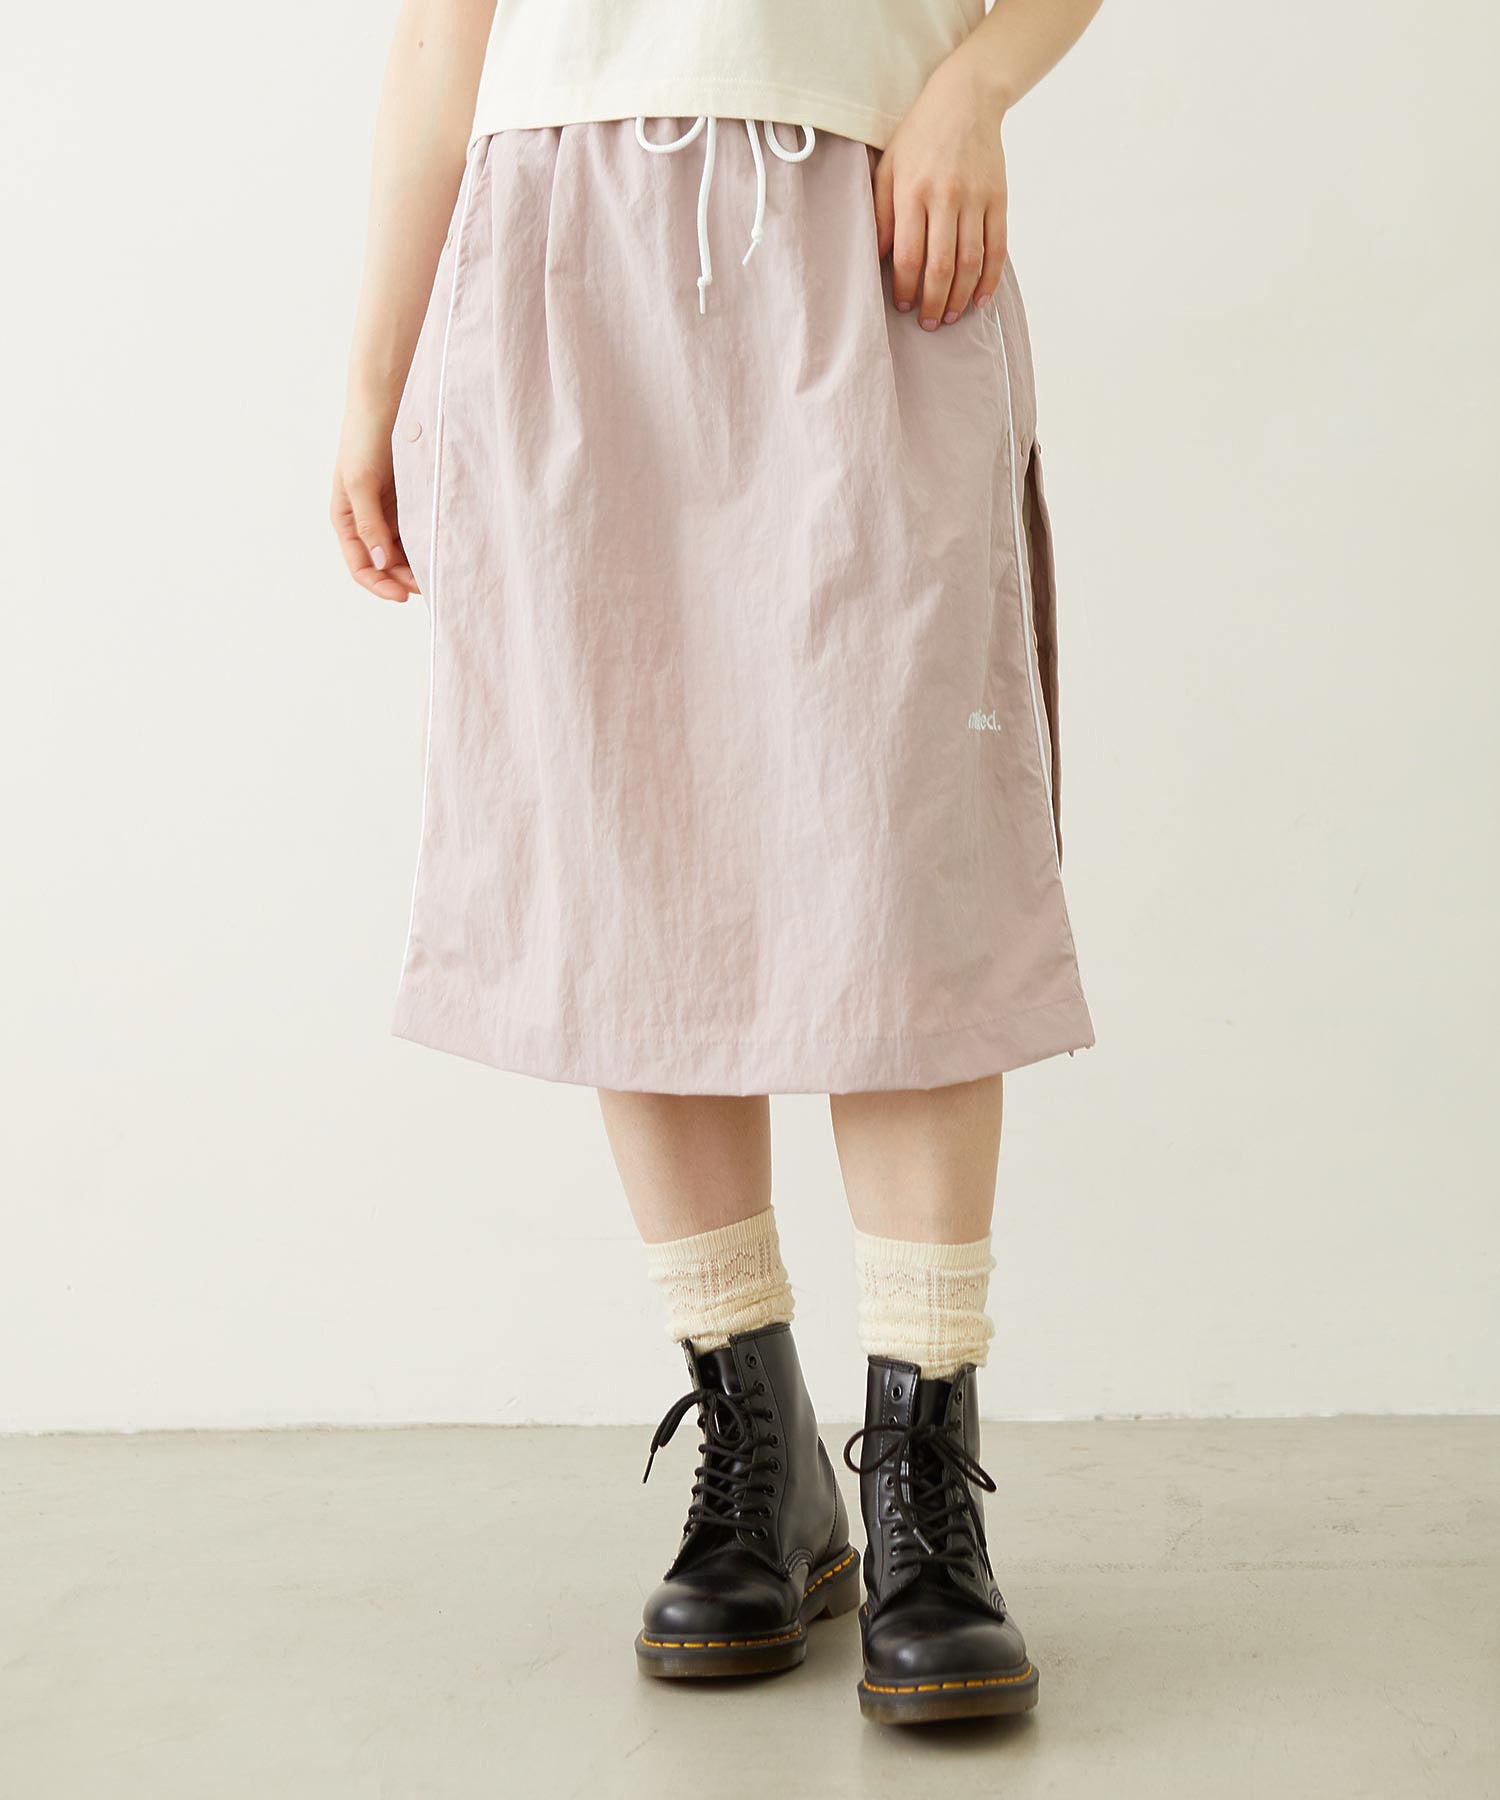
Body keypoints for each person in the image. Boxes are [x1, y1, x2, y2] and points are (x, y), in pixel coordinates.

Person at [332, 0, 1101, 1728]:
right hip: (555, 257)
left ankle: (923, 1480)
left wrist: (975, 85)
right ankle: (760, 1447)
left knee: (900, 866)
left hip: (873, 230)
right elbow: (442, 32)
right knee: (632, 854)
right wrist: (372, 380)